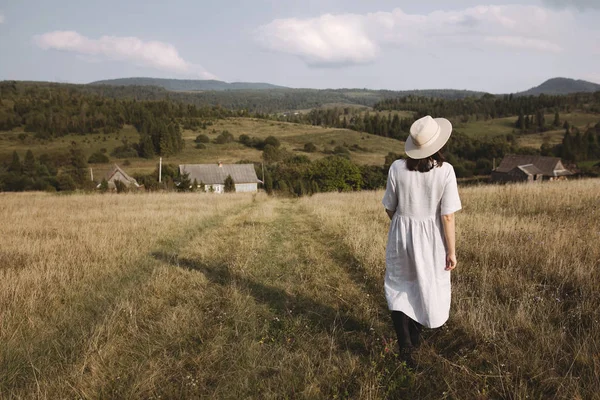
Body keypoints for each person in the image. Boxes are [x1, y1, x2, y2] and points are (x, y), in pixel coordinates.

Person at [382, 115, 462, 366]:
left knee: (399, 287)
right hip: (432, 239)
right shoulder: (446, 172)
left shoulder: (396, 167)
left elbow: (389, 208)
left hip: (400, 233)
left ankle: (405, 346)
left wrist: (403, 225)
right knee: (425, 284)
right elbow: (447, 216)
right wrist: (451, 251)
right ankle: (413, 341)